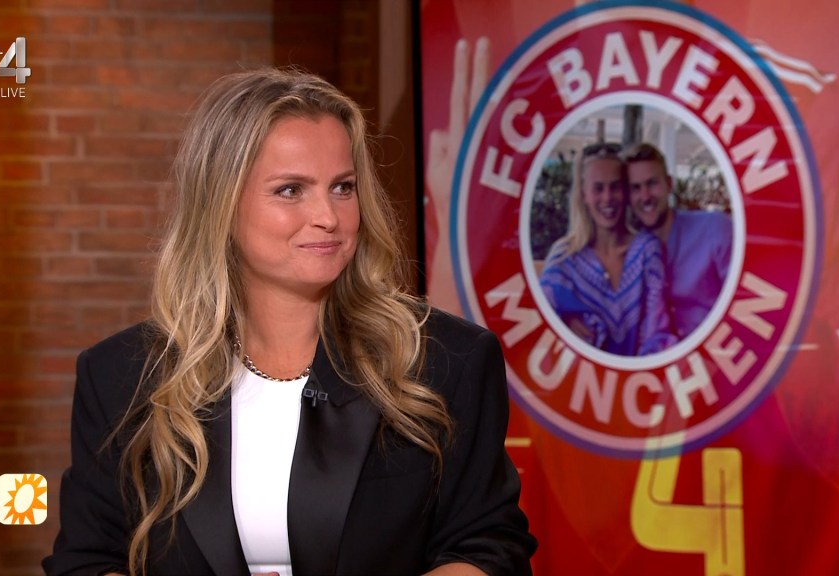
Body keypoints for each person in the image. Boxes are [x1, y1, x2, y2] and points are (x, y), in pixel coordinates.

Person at [42, 68, 536, 576]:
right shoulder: (121, 377)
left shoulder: (446, 360)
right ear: (221, 204)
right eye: (290, 190)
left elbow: (486, 548)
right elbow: (87, 559)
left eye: (342, 187)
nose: (328, 216)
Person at [538, 142, 675, 356]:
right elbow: (538, 328)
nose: (608, 198)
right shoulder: (564, 258)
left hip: (642, 374)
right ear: (583, 194)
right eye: (598, 188)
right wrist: (562, 325)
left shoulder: (647, 250)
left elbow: (657, 332)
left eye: (615, 187)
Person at [624, 143, 733, 340]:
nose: (645, 196)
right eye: (636, 188)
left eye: (652, 183)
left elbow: (744, 301)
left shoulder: (715, 228)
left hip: (721, 352)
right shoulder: (629, 254)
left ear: (669, 184)